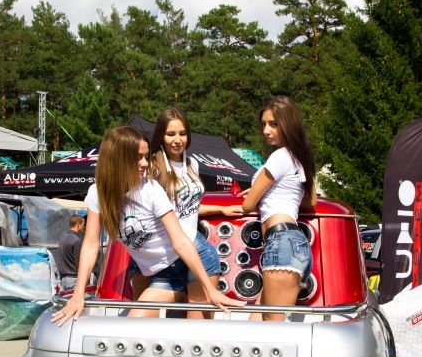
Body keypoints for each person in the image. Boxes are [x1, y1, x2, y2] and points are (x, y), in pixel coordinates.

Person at [52, 125, 241, 325]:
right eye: (137, 157)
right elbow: (90, 244)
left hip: (195, 256)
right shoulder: (97, 193)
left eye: (146, 156)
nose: (144, 163)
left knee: (193, 331)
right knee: (143, 326)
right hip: (160, 270)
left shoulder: (150, 189)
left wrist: (211, 290)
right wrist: (78, 294)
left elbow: (180, 240)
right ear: (118, 159)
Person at [130, 107, 243, 317]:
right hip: (160, 251)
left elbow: (187, 207)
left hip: (193, 248)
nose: (177, 140)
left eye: (182, 133)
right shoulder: (150, 167)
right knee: (143, 323)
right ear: (161, 136)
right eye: (170, 134)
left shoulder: (193, 165)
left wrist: (221, 209)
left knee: (195, 324)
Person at [241, 95, 317, 321]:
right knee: (256, 323)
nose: (266, 131)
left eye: (273, 124)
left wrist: (258, 191)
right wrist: (271, 191)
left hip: (280, 242)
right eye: (264, 124)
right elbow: (310, 202)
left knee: (272, 330)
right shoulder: (299, 157)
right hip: (293, 243)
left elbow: (247, 205)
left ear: (288, 124)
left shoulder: (279, 157)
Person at [58, 214, 86, 291]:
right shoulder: (77, 240)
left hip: (64, 279)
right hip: (74, 279)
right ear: (78, 225)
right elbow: (79, 262)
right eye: (83, 224)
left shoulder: (63, 237)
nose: (84, 227)